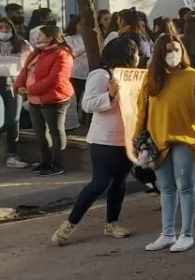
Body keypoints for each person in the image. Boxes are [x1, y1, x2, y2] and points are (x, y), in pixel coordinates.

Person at [51, 39, 140, 245]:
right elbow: (88, 104)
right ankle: (69, 224)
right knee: (100, 182)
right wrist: (109, 95)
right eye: (134, 53)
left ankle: (112, 223)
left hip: (126, 138)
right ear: (125, 55)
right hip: (104, 140)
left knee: (119, 183)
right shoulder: (101, 75)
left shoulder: (131, 77)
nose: (138, 57)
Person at [137, 35, 195, 253]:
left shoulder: (194, 77)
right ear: (159, 54)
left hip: (186, 141)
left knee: (186, 187)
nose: (173, 54)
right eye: (168, 50)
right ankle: (167, 233)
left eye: (176, 49)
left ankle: (186, 235)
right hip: (157, 141)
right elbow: (142, 110)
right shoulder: (152, 78)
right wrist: (138, 139)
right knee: (166, 189)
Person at [15, 25, 74, 176]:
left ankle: (57, 164)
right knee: (40, 133)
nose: (37, 39)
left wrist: (30, 90)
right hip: (35, 100)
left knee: (56, 132)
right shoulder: (37, 52)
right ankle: (45, 162)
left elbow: (55, 79)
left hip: (54, 99)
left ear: (50, 37)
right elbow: (25, 70)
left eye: (40, 36)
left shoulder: (63, 54)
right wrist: (19, 85)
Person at [0, 17, 30, 167]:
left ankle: (12, 156)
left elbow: (29, 63)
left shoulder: (22, 44)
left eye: (7, 28)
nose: (4, 31)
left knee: (14, 119)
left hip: (13, 82)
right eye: (1, 28)